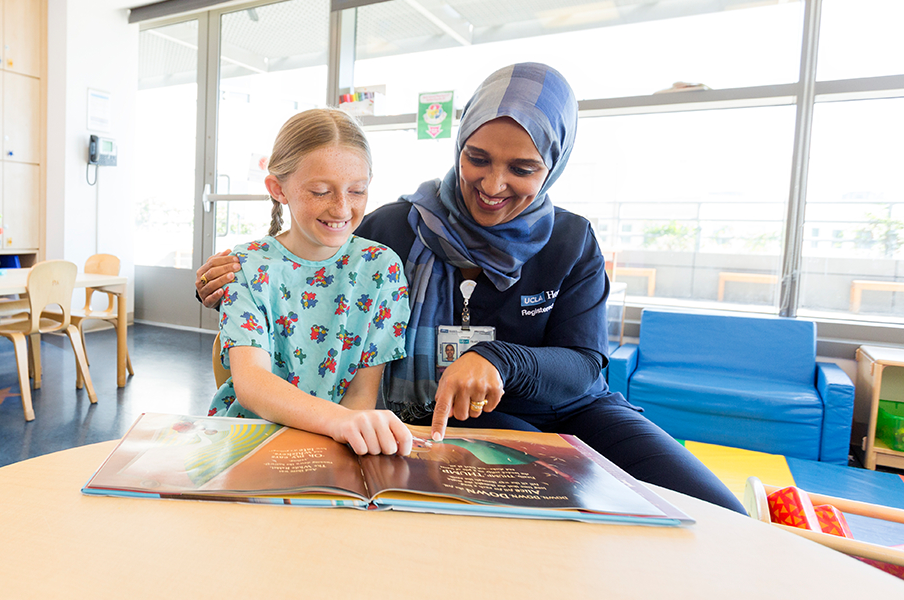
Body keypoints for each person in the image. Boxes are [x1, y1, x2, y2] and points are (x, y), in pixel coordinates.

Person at [197, 63, 746, 513]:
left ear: (552, 166)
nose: (493, 184)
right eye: (477, 158)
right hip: (456, 416)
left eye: (523, 168)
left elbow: (584, 365)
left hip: (574, 408)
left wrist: (500, 360)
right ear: (457, 145)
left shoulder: (572, 240)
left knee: (715, 510)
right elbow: (313, 253)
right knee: (539, 510)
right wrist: (227, 277)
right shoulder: (393, 229)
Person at [208, 108, 414, 457]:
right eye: (320, 191)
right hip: (250, 439)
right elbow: (252, 384)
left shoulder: (381, 268)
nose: (342, 208)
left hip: (336, 442)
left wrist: (344, 430)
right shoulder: (247, 266)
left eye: (357, 190)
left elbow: (361, 395)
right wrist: (338, 423)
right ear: (278, 189)